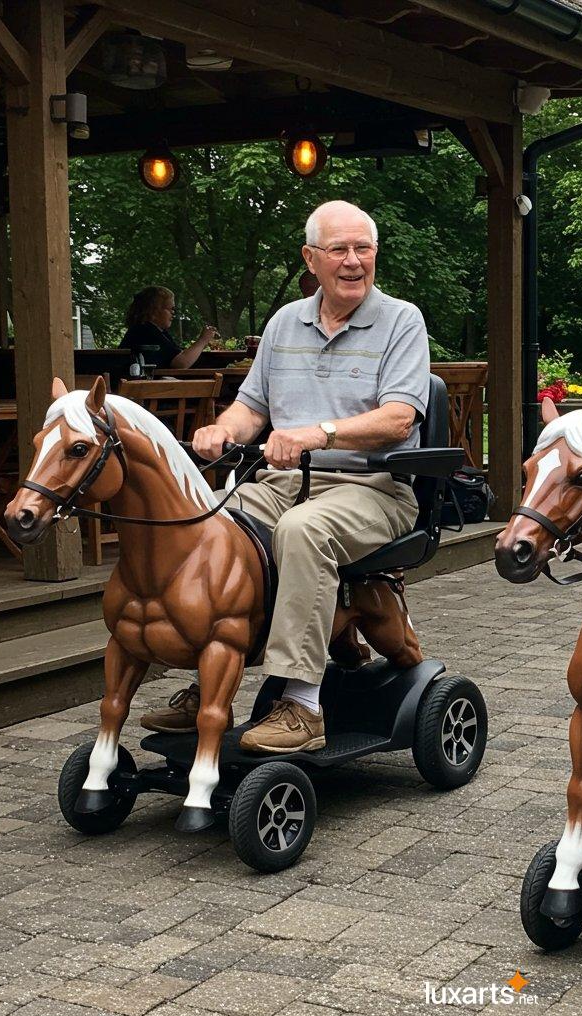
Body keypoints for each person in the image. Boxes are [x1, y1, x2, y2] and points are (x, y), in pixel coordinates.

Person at [140, 201, 428, 754]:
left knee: (301, 531)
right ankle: (210, 683)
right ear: (311, 259)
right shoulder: (283, 323)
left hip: (373, 489)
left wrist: (317, 434)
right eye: (338, 250)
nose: (352, 261)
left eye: (362, 249)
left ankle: (302, 704)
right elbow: (251, 408)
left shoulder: (401, 320)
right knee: (212, 527)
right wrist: (220, 430)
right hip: (282, 485)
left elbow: (399, 417)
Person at [121, 286, 218, 370]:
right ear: (153, 311)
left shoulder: (155, 331)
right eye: (170, 309)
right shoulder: (147, 332)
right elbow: (180, 363)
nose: (173, 313)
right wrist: (203, 340)